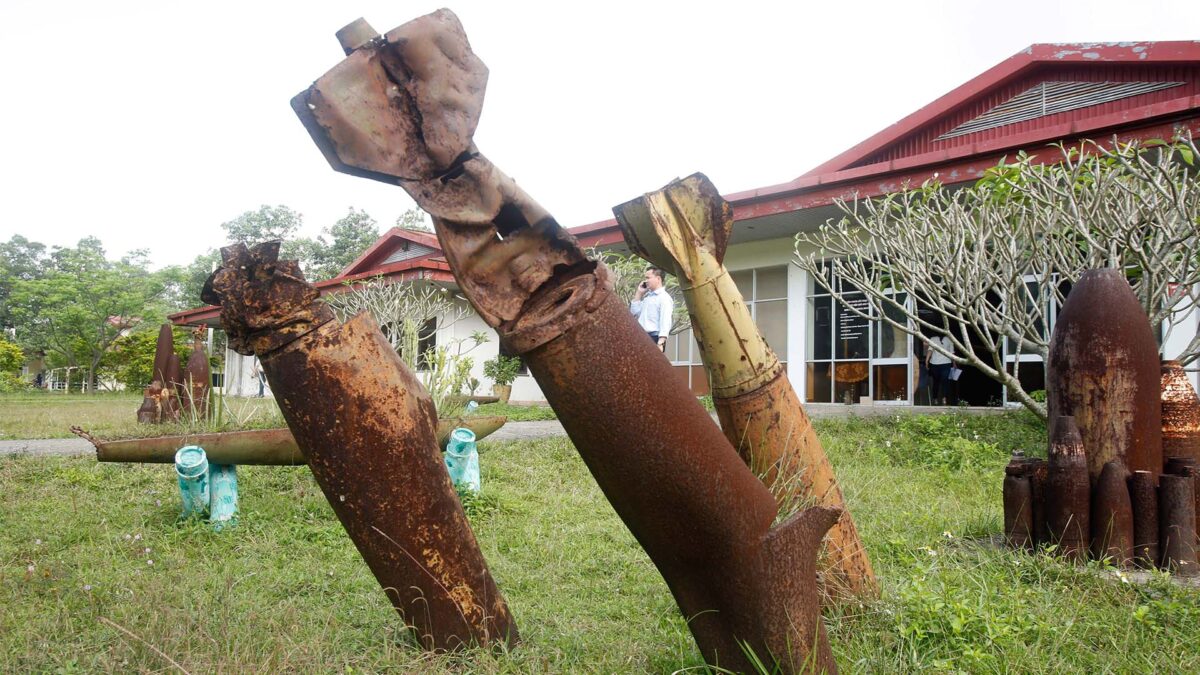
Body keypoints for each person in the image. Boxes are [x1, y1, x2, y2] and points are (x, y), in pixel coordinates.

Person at [629, 267, 673, 352]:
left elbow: (665, 320)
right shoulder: (648, 297)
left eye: (648, 278)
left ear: (658, 279)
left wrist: (661, 342)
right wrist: (639, 293)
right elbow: (634, 313)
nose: (645, 281)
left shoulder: (664, 298)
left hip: (654, 338)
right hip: (641, 337)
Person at [926, 334, 954, 405]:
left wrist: (954, 363)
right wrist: (927, 360)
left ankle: (944, 398)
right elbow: (930, 350)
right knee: (936, 382)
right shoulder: (933, 338)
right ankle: (935, 398)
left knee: (945, 381)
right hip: (935, 363)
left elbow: (952, 352)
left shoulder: (949, 338)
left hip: (946, 363)